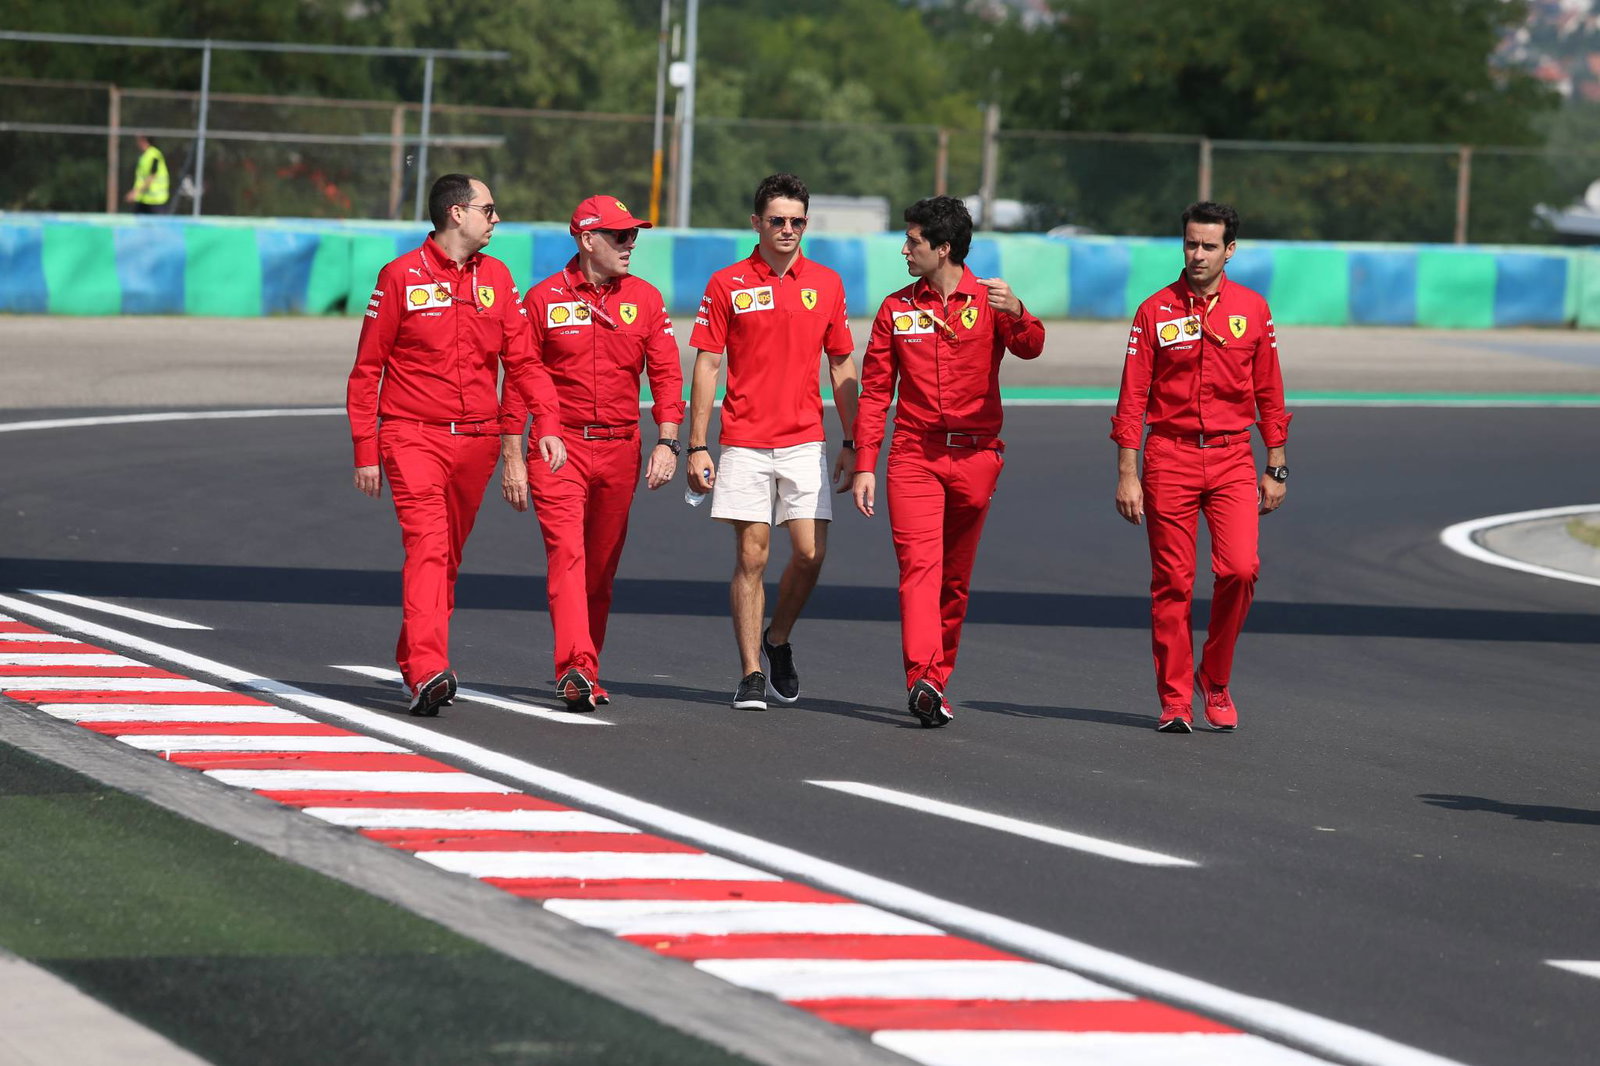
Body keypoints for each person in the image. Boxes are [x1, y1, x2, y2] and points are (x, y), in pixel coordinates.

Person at [347, 173, 566, 717]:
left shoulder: (497, 277)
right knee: (427, 547)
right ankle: (427, 670)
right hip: (411, 436)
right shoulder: (399, 276)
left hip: (477, 444)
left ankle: (412, 658)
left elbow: (522, 360)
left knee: (446, 558)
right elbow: (366, 371)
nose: (496, 219)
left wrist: (551, 421)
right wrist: (364, 450)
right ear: (456, 214)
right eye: (488, 209)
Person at [851, 196, 1044, 728]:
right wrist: (866, 460)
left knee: (954, 581)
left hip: (978, 456)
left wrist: (1020, 313)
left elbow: (1031, 348)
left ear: (943, 248)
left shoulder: (992, 299)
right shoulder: (895, 308)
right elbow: (873, 393)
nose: (905, 249)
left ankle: (939, 677)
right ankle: (923, 679)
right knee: (919, 570)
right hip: (914, 455)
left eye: (914, 241)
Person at [1112, 201, 1291, 733]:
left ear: (1229, 250)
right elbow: (1132, 395)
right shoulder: (1154, 311)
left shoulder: (1253, 309)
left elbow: (1270, 389)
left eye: (1209, 245)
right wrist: (1128, 470)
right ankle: (1174, 700)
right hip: (1169, 455)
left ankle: (1214, 676)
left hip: (1235, 456)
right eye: (1191, 243)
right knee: (1173, 582)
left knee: (1240, 569)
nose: (1197, 254)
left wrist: (1276, 463)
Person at [499, 195, 684, 712]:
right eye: (620, 236)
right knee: (568, 554)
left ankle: (588, 667)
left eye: (634, 236)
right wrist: (513, 456)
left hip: (622, 448)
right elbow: (518, 379)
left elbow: (667, 375)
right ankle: (575, 667)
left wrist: (669, 441)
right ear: (587, 240)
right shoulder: (542, 300)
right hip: (558, 448)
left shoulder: (645, 299)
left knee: (600, 569)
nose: (631, 245)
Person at [686, 173, 858, 711]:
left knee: (810, 554)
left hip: (806, 441)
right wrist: (696, 444)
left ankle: (777, 638)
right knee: (752, 556)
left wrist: (855, 442)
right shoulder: (727, 283)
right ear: (756, 223)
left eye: (797, 221)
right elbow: (708, 364)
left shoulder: (827, 283)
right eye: (777, 220)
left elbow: (841, 361)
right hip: (743, 441)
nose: (787, 229)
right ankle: (751, 673)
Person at [124, 135, 169, 214]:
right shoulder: (144, 155)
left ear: (143, 141)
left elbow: (152, 176)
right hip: (144, 199)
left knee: (156, 225)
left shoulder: (154, 155)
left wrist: (135, 192)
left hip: (156, 201)